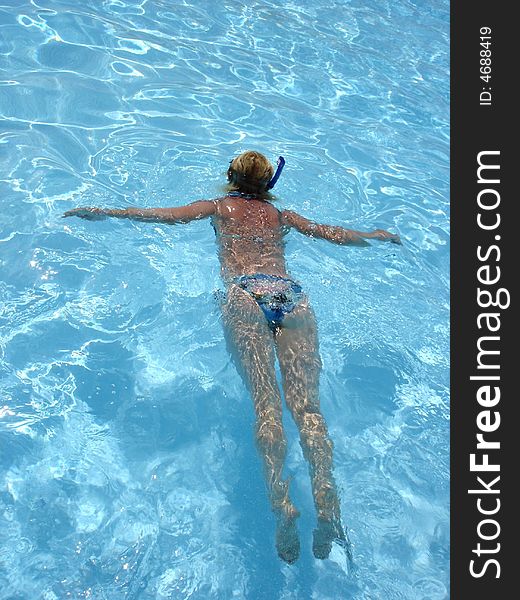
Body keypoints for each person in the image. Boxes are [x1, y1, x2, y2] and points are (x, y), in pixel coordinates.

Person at [63, 150, 400, 564]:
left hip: (245, 294)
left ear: (230, 177)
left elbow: (159, 215)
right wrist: (376, 236)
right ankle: (328, 511)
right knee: (309, 412)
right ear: (269, 183)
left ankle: (282, 504)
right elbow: (334, 233)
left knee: (267, 408)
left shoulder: (218, 208)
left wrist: (105, 212)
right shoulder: (281, 217)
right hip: (290, 296)